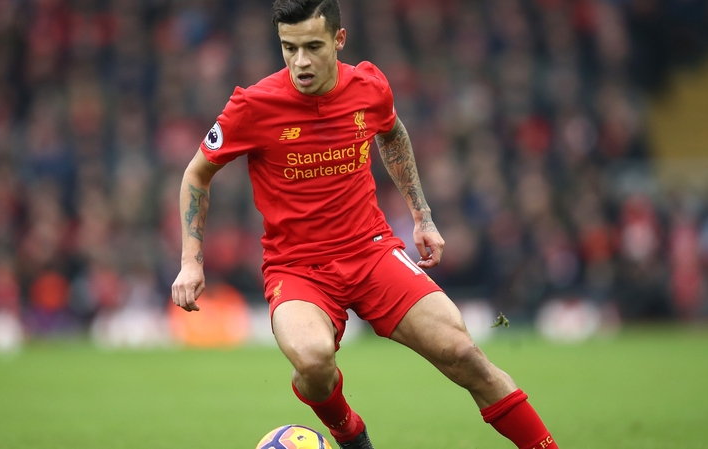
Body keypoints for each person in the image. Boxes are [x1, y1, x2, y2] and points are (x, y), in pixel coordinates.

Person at [171, 1, 559, 448]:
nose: (300, 62)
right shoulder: (252, 106)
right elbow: (196, 173)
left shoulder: (369, 86)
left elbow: (391, 133)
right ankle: (349, 432)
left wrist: (422, 215)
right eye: (288, 48)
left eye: (313, 46)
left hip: (371, 252)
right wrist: (190, 261)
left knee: (463, 352)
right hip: (297, 268)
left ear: (339, 39)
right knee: (313, 360)